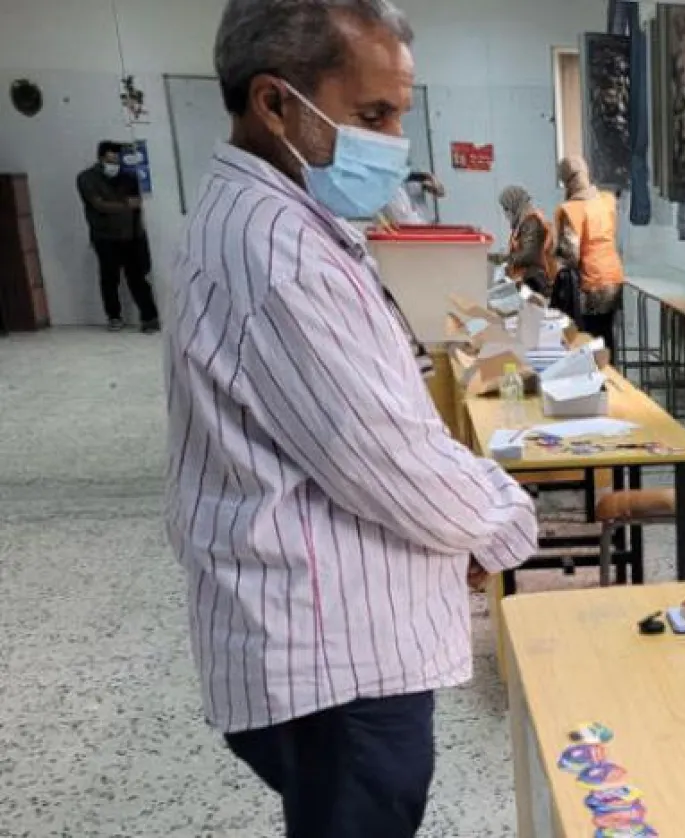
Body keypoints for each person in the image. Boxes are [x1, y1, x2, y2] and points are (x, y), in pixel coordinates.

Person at [164, 2, 539, 836]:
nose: (395, 139)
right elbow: (382, 455)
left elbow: (379, 409)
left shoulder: (286, 218)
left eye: (400, 111)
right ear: (274, 103)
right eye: (374, 114)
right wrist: (501, 520)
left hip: (326, 638)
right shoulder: (276, 252)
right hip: (334, 658)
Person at [76, 140, 160, 332]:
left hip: (131, 235)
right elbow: (98, 204)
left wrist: (139, 230)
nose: (115, 162)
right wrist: (125, 204)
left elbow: (138, 204)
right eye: (111, 157)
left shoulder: (128, 177)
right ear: (101, 157)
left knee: (138, 278)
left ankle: (149, 318)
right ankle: (114, 316)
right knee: (110, 279)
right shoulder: (87, 178)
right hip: (105, 237)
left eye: (117, 157)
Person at [554, 156, 624, 355]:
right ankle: (613, 378)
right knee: (607, 333)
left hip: (591, 282)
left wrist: (555, 254)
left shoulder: (572, 209)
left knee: (591, 337)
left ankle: (597, 379)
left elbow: (570, 255)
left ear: (567, 180)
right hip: (614, 276)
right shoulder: (606, 200)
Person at [499, 184, 556, 298]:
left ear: (514, 206)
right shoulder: (524, 223)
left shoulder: (532, 222)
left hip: (536, 284)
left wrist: (508, 260)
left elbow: (529, 254)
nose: (505, 214)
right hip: (529, 282)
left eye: (506, 209)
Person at [379, 170, 444, 225]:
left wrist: (431, 179)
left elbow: (440, 192)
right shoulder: (387, 187)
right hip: (404, 225)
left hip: (423, 221)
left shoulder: (415, 177)